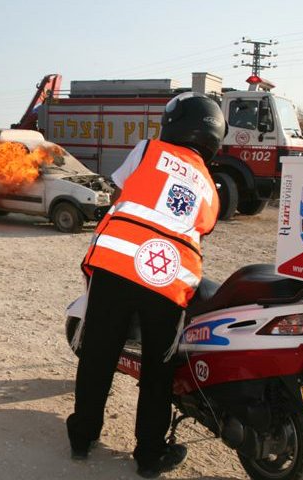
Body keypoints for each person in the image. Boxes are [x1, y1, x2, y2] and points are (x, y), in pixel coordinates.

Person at [67, 92, 226, 478]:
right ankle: (150, 456)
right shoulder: (210, 185)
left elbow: (122, 194)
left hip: (117, 265)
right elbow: (199, 229)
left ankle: (82, 439)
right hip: (169, 281)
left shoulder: (147, 150)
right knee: (158, 371)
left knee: (99, 355)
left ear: (172, 124)